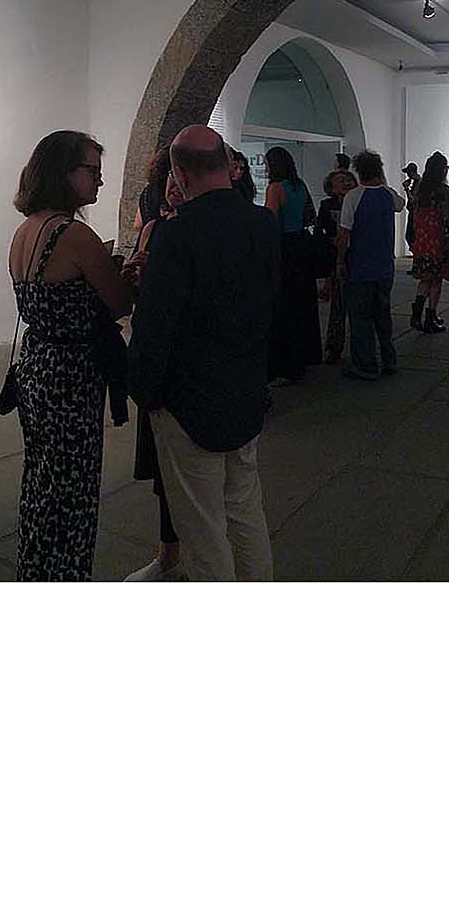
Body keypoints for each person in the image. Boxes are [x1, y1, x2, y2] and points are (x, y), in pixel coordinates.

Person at [126, 126, 278, 582]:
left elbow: (155, 325)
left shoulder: (177, 235)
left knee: (202, 529)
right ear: (227, 165)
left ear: (179, 173)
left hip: (189, 403)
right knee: (246, 512)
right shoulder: (262, 224)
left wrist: (145, 391)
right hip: (245, 391)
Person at [7, 131, 135, 581]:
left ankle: (34, 572)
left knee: (41, 481)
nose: (99, 181)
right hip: (71, 376)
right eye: (92, 171)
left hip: (36, 367)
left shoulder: (25, 231)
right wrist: (129, 273)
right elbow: (118, 302)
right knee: (74, 492)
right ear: (63, 173)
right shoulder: (74, 235)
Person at [123, 147, 185, 581]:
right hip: (157, 358)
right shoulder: (155, 230)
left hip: (181, 363)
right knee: (166, 471)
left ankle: (184, 556)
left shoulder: (190, 233)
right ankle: (170, 554)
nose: (174, 188)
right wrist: (136, 274)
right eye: (169, 180)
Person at [336, 149, 404, 379]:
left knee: (361, 318)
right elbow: (401, 204)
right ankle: (388, 359)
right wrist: (383, 181)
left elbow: (344, 234)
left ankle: (365, 364)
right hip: (385, 268)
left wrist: (340, 262)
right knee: (383, 316)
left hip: (361, 267)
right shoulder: (388, 194)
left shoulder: (353, 197)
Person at [263, 146, 321, 385]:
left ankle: (285, 365)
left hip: (284, 249)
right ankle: (304, 357)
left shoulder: (275, 189)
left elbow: (271, 223)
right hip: (301, 247)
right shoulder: (300, 186)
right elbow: (310, 216)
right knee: (302, 304)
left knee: (283, 307)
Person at [406, 151, 449, 333]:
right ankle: (430, 317)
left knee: (425, 278)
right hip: (438, 240)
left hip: (422, 240)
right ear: (443, 170)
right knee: (436, 280)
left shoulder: (420, 189)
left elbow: (412, 212)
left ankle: (416, 315)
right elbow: (447, 217)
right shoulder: (445, 191)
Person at [315, 161, 356, 365]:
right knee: (338, 305)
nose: (346, 182)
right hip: (337, 257)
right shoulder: (327, 205)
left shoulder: (358, 202)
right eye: (341, 180)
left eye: (348, 179)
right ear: (331, 187)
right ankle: (334, 346)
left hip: (356, 256)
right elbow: (320, 229)